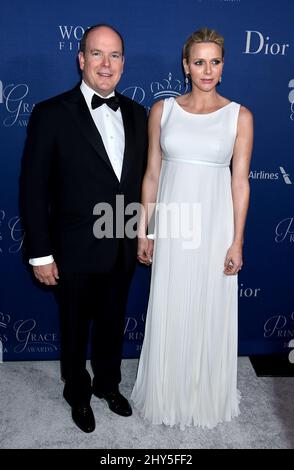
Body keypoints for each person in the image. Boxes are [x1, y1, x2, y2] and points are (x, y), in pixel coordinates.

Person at [20, 24, 147, 433]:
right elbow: (33, 189)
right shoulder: (51, 112)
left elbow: (145, 180)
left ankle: (108, 384)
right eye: (97, 54)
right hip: (73, 247)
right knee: (74, 326)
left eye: (114, 56)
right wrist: (40, 253)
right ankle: (77, 390)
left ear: (123, 64)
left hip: (122, 243)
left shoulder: (137, 113)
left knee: (113, 321)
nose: (105, 64)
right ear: (81, 59)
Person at [131, 27, 253, 429]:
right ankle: (168, 391)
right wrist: (143, 229)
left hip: (215, 226)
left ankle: (205, 393)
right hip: (174, 224)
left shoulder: (240, 116)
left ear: (223, 66)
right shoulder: (162, 110)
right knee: (171, 302)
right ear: (185, 66)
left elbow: (240, 182)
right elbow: (152, 173)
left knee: (208, 307)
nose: (207, 69)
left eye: (214, 62)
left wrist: (236, 240)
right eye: (198, 61)